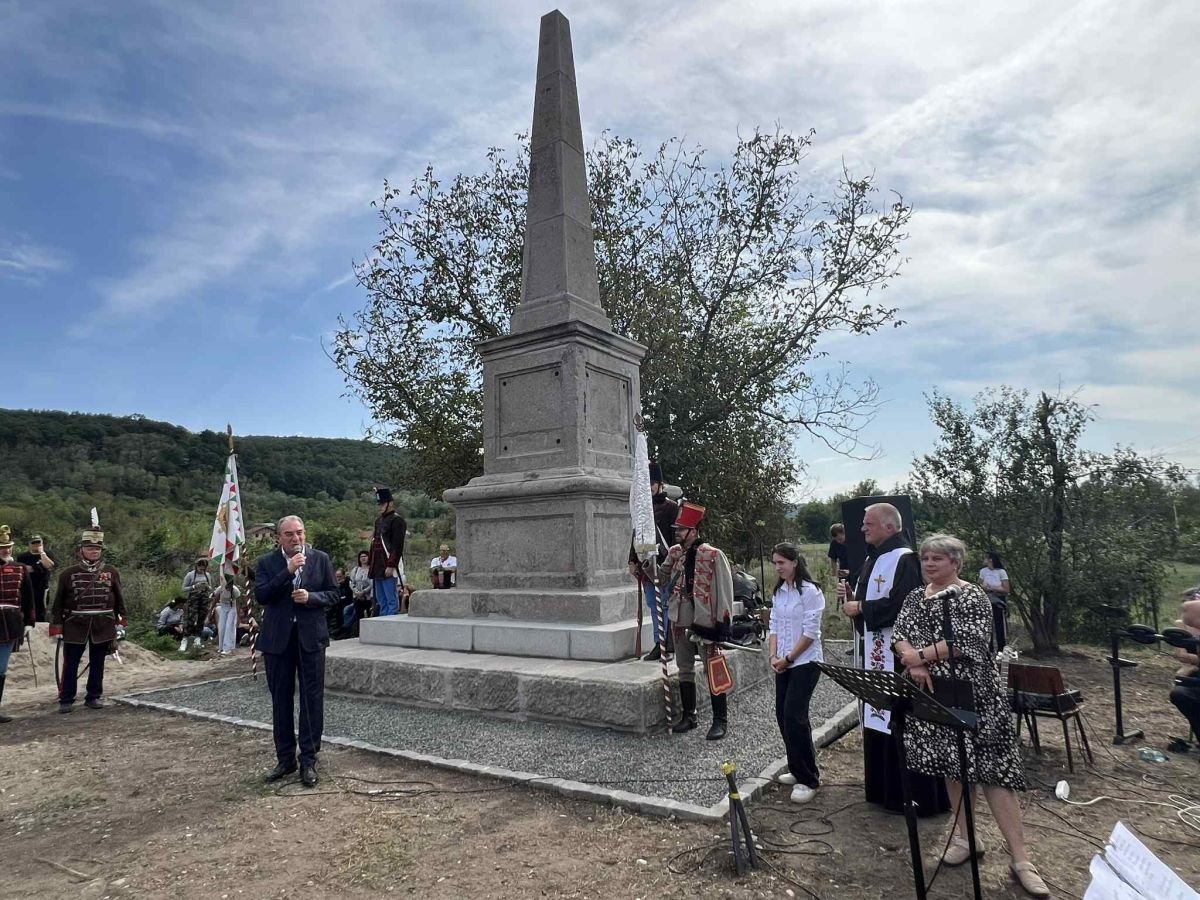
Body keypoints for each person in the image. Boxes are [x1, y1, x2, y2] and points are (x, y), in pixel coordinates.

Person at [893, 534, 1049, 898]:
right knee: (953, 768)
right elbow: (901, 633)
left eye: (937, 559)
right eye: (926, 558)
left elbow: (970, 640)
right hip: (934, 694)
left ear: (955, 563)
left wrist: (922, 656)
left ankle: (1021, 858)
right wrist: (913, 660)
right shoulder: (917, 596)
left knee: (993, 772)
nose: (929, 564)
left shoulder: (971, 596)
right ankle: (967, 837)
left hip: (974, 694)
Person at [839, 502, 949, 816]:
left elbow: (906, 606)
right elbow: (865, 606)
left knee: (904, 721)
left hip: (902, 657)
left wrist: (860, 608)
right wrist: (851, 602)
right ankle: (885, 791)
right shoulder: (872, 560)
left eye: (868, 524)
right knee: (880, 719)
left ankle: (917, 797)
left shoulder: (905, 559)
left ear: (890, 526)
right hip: (876, 653)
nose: (862, 529)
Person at [255, 515, 338, 787]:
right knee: (281, 700)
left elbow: (334, 595)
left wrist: (311, 598)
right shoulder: (267, 563)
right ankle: (285, 759)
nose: (296, 538)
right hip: (278, 641)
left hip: (310, 639)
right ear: (278, 537)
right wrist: (287, 571)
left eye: (300, 533)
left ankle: (309, 760)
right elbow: (263, 595)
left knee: (311, 699)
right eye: (289, 534)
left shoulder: (321, 559)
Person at [664, 501, 735, 740]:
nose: (677, 533)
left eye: (682, 529)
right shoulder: (675, 553)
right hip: (681, 617)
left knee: (712, 667)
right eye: (677, 529)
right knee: (684, 667)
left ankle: (720, 720)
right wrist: (646, 560)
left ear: (694, 531)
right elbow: (659, 577)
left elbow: (724, 590)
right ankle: (689, 715)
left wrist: (722, 623)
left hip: (705, 619)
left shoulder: (713, 555)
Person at [50, 513, 127, 713]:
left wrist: (120, 623)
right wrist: (57, 627)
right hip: (75, 624)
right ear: (81, 550)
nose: (94, 551)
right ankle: (66, 698)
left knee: (98, 663)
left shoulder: (111, 571)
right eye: (90, 548)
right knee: (71, 662)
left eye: (97, 548)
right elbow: (57, 603)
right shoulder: (68, 574)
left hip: (103, 623)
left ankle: (93, 696)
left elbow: (119, 599)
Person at [767, 542, 824, 804]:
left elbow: (811, 632)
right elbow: (774, 625)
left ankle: (808, 778)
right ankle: (796, 766)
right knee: (782, 714)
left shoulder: (809, 592)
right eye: (775, 563)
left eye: (782, 562)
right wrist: (774, 655)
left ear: (794, 563)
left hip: (805, 662)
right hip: (784, 661)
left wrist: (790, 658)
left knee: (795, 716)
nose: (778, 567)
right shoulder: (780, 592)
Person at [636, 460, 677, 661]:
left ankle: (667, 644)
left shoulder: (671, 508)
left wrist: (671, 562)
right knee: (654, 605)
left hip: (665, 565)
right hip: (647, 565)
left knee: (665, 606)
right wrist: (632, 560)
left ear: (660, 484)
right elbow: (636, 536)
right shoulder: (641, 508)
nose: (650, 487)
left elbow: (676, 538)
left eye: (653, 483)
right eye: (647, 483)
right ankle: (658, 644)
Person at [0, 526, 36, 723]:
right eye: (2, 547)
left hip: (11, 621)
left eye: (8, 546)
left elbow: (28, 597)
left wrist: (30, 621)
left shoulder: (20, 568)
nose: (6, 550)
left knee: (1, 669)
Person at [369, 488, 406, 616]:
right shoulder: (378, 521)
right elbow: (375, 544)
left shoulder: (397, 521)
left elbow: (397, 546)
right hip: (377, 566)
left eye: (382, 504)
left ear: (390, 503)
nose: (380, 507)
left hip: (388, 565)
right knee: (381, 601)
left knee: (391, 601)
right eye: (379, 504)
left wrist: (391, 565)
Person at [16, 533, 55, 623]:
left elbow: (49, 565)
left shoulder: (47, 554)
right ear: (29, 544)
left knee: (41, 611)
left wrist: (42, 553)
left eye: (39, 542)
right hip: (28, 587)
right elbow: (24, 569)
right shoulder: (23, 557)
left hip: (42, 588)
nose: (37, 545)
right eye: (34, 543)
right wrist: (37, 567)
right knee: (27, 609)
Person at [979, 551, 1011, 650]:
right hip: (986, 598)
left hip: (998, 600)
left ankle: (1001, 648)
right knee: (987, 624)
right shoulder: (983, 571)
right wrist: (984, 587)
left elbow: (1006, 589)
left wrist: (992, 588)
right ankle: (989, 648)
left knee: (999, 624)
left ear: (991, 560)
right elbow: (979, 584)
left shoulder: (1001, 572)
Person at [181, 558, 215, 651]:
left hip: (204, 598)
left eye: (204, 568)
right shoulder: (190, 575)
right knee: (190, 619)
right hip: (193, 599)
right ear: (197, 566)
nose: (202, 570)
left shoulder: (207, 575)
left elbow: (211, 588)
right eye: (200, 568)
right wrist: (194, 586)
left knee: (201, 618)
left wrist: (207, 586)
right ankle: (185, 639)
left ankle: (198, 638)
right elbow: (183, 588)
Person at [213, 579, 242, 656]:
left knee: (229, 626)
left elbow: (238, 604)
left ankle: (228, 648)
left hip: (232, 607)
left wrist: (238, 617)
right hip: (223, 607)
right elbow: (215, 600)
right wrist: (209, 613)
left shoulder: (235, 591)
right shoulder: (220, 589)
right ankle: (221, 647)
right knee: (222, 627)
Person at [349, 550, 372, 621]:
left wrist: (364, 592)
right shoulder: (355, 570)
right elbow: (351, 582)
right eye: (361, 557)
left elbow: (372, 583)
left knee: (370, 616)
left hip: (368, 598)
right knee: (359, 618)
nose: (363, 558)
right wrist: (357, 592)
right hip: (357, 598)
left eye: (365, 556)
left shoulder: (371, 569)